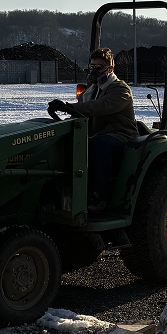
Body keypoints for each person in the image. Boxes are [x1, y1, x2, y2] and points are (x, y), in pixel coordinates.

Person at [49, 48, 137, 212]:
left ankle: (100, 198)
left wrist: (70, 106)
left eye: (99, 67)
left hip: (122, 137)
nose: (94, 71)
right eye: (92, 67)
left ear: (110, 69)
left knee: (100, 143)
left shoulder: (121, 90)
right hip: (97, 135)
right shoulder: (89, 92)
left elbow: (100, 106)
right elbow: (80, 115)